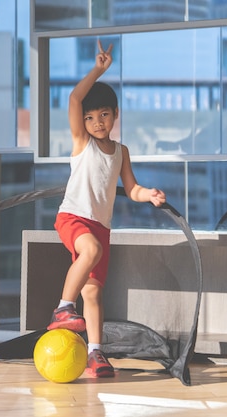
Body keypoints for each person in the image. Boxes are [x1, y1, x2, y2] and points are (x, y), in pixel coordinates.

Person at [48, 40, 167, 378]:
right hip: (72, 216)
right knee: (91, 250)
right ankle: (62, 309)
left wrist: (150, 195)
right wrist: (99, 70)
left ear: (115, 115)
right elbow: (73, 98)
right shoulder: (81, 143)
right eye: (90, 117)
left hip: (101, 225)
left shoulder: (121, 151)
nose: (97, 121)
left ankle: (95, 354)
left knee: (95, 292)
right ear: (81, 122)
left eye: (103, 115)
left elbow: (131, 189)